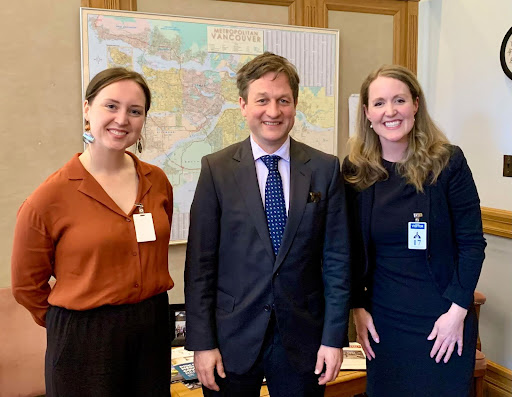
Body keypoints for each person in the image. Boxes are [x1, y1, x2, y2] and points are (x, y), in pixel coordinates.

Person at [184, 52, 351, 397]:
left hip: (303, 340)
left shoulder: (324, 168)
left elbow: (337, 261)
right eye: (262, 100)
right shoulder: (217, 170)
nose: (273, 112)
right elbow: (200, 266)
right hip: (231, 339)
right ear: (244, 105)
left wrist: (334, 339)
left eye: (283, 101)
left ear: (295, 105)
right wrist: (202, 344)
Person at [11, 67, 174, 396]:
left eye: (135, 111)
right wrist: (75, 321)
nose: (122, 119)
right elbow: (27, 286)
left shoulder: (157, 181)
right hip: (84, 339)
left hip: (152, 326)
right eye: (111, 106)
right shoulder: (49, 198)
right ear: (87, 109)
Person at [342, 64, 486, 396]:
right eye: (379, 103)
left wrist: (457, 312)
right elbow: (347, 248)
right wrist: (358, 309)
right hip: (384, 323)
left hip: (443, 318)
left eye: (399, 100)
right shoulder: (354, 170)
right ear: (366, 113)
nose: (390, 111)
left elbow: (471, 244)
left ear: (416, 105)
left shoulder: (448, 163)